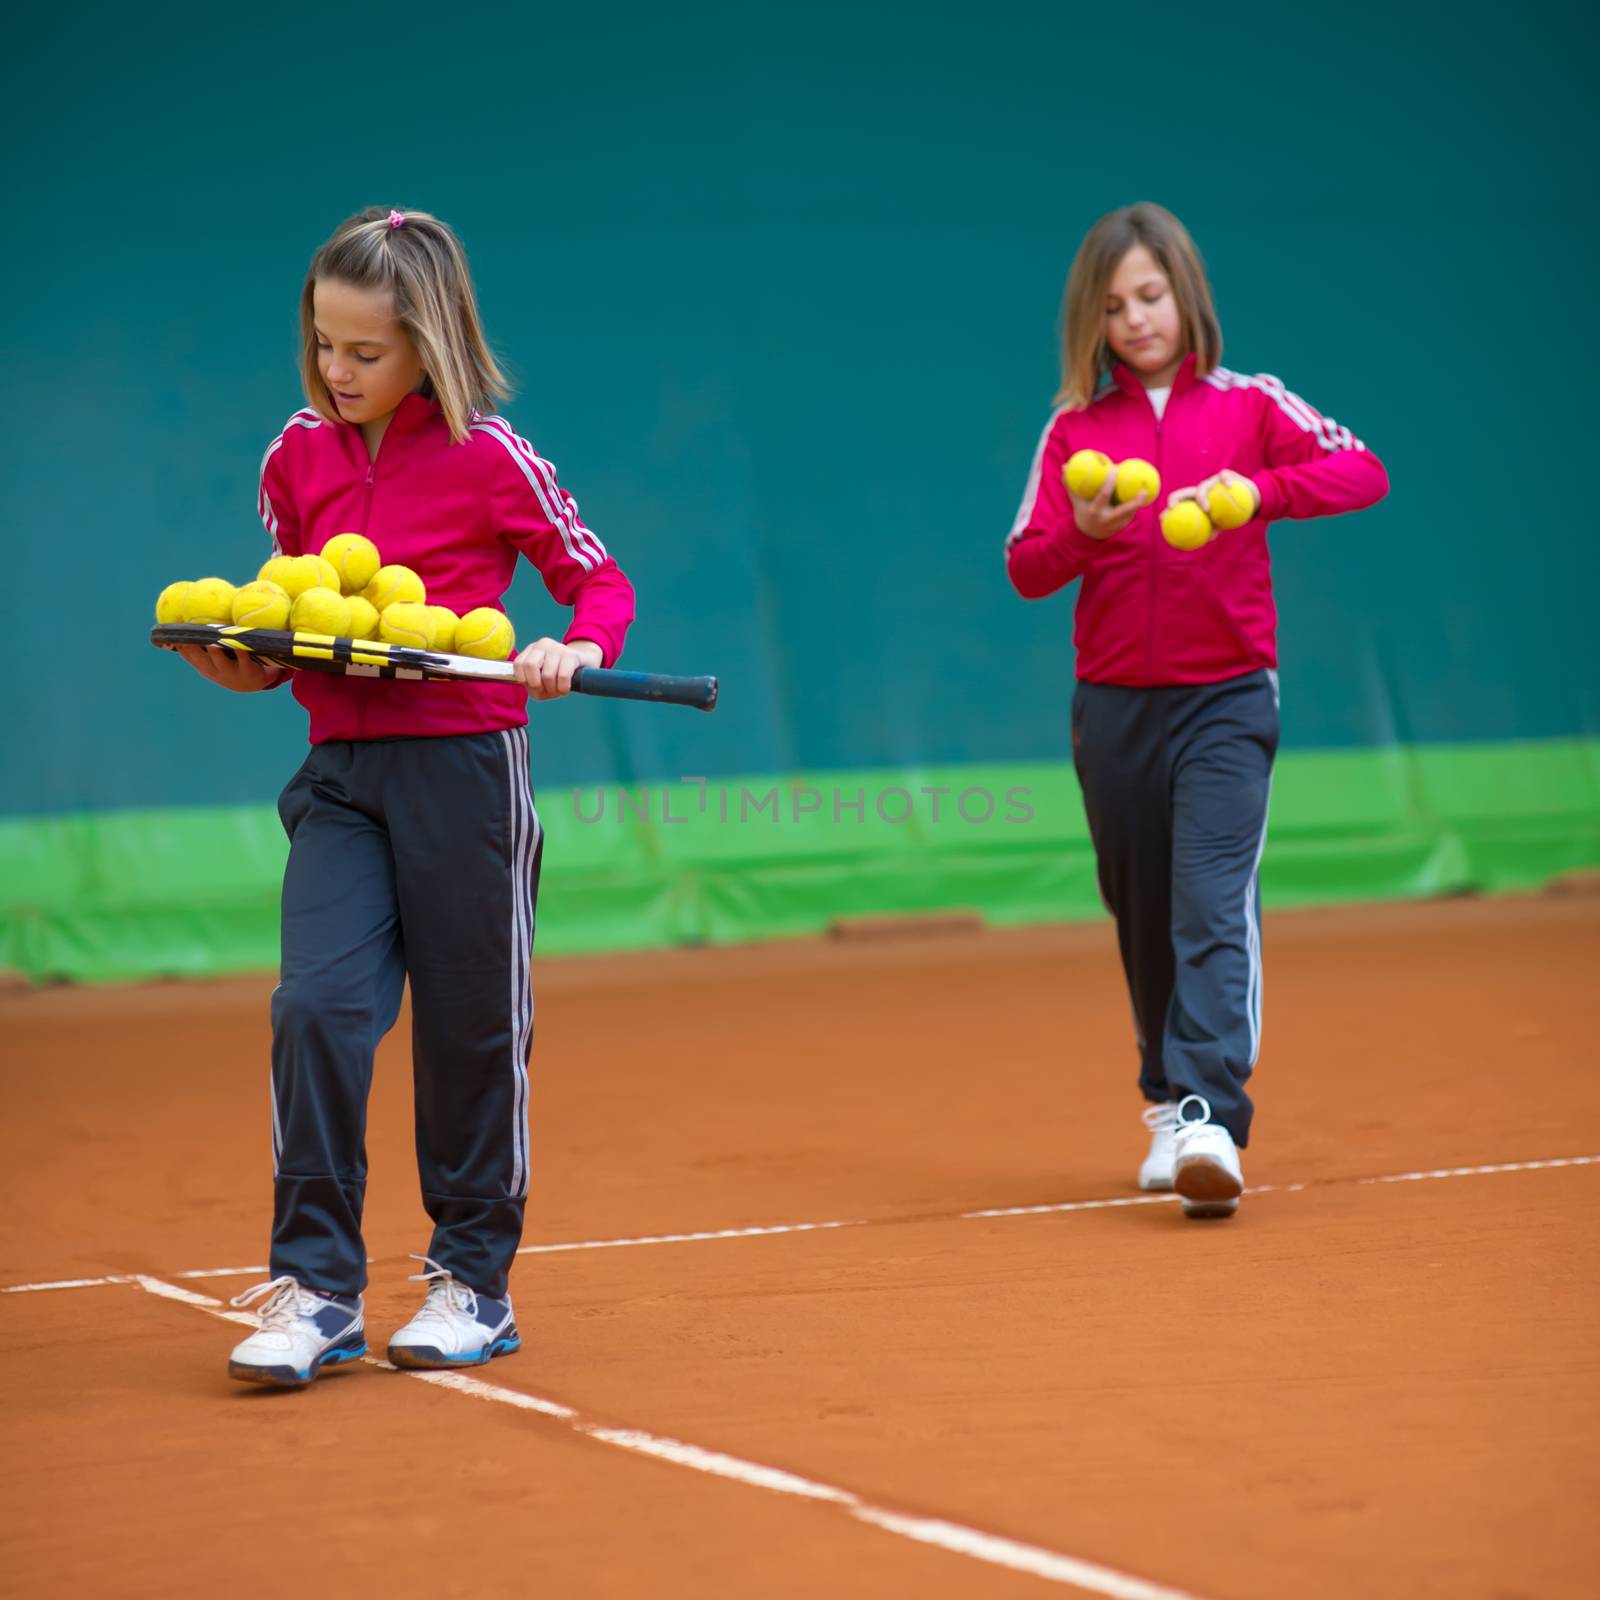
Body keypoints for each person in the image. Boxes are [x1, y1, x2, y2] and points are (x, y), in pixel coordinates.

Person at [177, 206, 635, 1382]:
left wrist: (572, 651)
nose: (337, 372)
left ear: (428, 343)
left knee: (474, 1036)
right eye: (324, 344)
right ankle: (320, 1290)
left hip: (469, 774)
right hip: (339, 777)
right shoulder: (294, 455)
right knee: (313, 1009)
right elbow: (291, 631)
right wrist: (250, 663)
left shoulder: (492, 455)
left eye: (365, 352)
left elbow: (596, 579)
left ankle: (473, 1282)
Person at [1004, 202, 1388, 1219]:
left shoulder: (1252, 404)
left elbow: (1361, 470)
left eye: (1151, 295)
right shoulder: (1073, 431)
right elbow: (1025, 566)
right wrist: (1085, 530)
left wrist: (1254, 494)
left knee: (1210, 900)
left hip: (1226, 695)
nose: (1136, 318)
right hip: (1113, 705)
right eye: (1115, 304)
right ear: (1091, 320)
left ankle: (1211, 1113)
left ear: (1185, 296)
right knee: (1143, 912)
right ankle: (1167, 1110)